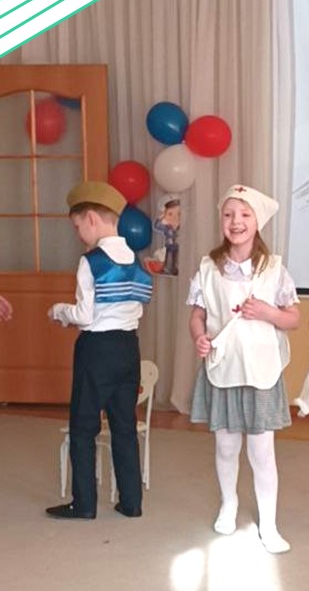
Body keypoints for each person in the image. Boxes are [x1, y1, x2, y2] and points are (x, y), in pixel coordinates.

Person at [188, 184, 299, 554]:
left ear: (258, 221)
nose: (236, 222)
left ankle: (268, 522)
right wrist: (200, 337)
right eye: (229, 214)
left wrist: (268, 312)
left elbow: (293, 318)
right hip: (224, 368)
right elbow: (198, 315)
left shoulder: (274, 269)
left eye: (245, 214)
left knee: (262, 451)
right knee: (225, 446)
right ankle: (229, 503)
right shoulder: (208, 267)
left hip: (261, 371)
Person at [46, 180, 153, 520]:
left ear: (91, 218)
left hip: (96, 350)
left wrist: (59, 311)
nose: (79, 234)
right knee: (124, 426)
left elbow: (85, 315)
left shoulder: (91, 261)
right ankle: (131, 502)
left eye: (78, 227)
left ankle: (84, 504)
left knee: (83, 426)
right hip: (129, 347)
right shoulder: (136, 260)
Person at [153, 193, 181, 275]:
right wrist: (160, 218)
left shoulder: (179, 227)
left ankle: (174, 268)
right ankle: (168, 268)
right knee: (169, 256)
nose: (174, 217)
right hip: (169, 244)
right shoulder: (167, 227)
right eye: (170, 214)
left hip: (176, 245)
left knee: (175, 257)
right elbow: (157, 225)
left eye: (178, 214)